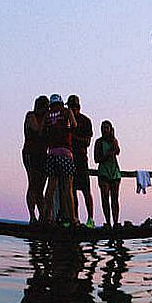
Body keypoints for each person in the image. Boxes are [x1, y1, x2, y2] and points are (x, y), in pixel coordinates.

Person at [43, 94, 78, 226]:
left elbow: (41, 131)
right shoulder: (66, 111)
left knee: (50, 187)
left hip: (51, 153)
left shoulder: (48, 115)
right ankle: (73, 218)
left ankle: (45, 217)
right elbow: (74, 125)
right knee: (68, 187)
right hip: (65, 152)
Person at [67, 95, 95, 228]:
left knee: (85, 190)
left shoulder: (86, 121)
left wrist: (73, 137)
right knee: (71, 191)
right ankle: (75, 219)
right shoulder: (66, 120)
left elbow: (87, 142)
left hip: (81, 159)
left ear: (77, 107)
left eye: (71, 107)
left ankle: (90, 219)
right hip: (69, 159)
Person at [22, 95, 49, 224]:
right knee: (33, 184)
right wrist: (45, 119)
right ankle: (32, 216)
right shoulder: (31, 116)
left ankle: (42, 216)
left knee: (40, 187)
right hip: (31, 153)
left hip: (43, 155)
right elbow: (37, 130)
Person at [93, 120, 121, 228]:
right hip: (103, 172)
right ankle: (108, 222)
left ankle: (116, 222)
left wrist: (114, 144)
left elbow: (118, 151)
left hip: (114, 171)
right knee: (105, 197)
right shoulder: (99, 142)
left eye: (107, 128)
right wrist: (107, 155)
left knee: (115, 198)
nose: (104, 130)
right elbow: (96, 159)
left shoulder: (114, 141)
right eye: (103, 128)